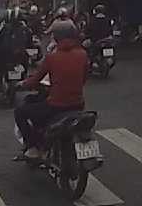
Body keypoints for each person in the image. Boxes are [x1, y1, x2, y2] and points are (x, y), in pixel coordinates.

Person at [15, 21, 88, 160]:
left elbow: (35, 80)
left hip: (56, 105)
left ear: (57, 37)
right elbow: (84, 78)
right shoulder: (83, 54)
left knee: (20, 112)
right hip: (78, 104)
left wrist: (23, 84)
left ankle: (33, 147)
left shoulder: (52, 57)